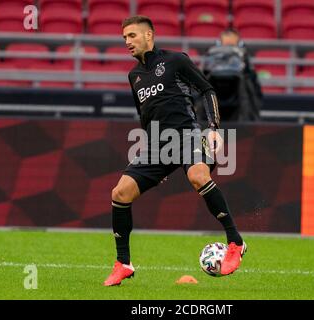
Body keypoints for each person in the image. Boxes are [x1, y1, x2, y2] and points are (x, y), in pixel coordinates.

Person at [104, 16, 247, 286]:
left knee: (198, 177)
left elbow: (207, 90)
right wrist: (155, 164)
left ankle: (235, 243)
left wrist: (214, 127)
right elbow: (144, 116)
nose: (127, 42)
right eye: (124, 38)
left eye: (132, 36)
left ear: (149, 35)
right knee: (120, 193)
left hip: (188, 135)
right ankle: (123, 263)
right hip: (158, 145)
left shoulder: (175, 61)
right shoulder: (134, 76)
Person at [201, 28, 262, 121]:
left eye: (231, 43)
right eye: (226, 42)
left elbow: (254, 89)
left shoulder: (244, 58)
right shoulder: (210, 56)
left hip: (239, 110)